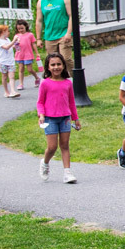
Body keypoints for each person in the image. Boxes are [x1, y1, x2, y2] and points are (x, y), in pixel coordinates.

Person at [36, 51, 81, 184]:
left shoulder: (67, 83)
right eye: (53, 65)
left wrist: (76, 118)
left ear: (63, 65)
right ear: (48, 67)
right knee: (52, 147)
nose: (56, 67)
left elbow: (71, 102)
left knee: (65, 145)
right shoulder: (45, 83)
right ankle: (45, 163)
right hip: (50, 118)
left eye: (59, 64)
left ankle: (67, 172)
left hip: (65, 118)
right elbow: (40, 101)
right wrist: (41, 114)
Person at [34, 0, 74, 69]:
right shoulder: (41, 2)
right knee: (53, 62)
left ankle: (74, 80)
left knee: (65, 59)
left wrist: (68, 33)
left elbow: (71, 16)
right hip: (50, 36)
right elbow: (39, 20)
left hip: (63, 34)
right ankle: (56, 82)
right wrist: (38, 38)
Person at [13, 20, 39, 89]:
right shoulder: (16, 36)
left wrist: (37, 53)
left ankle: (36, 77)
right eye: (19, 29)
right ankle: (21, 84)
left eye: (22, 28)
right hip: (20, 54)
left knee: (29, 69)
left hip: (28, 54)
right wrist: (15, 44)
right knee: (21, 69)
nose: (20, 30)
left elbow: (33, 44)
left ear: (25, 27)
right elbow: (14, 45)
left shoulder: (30, 35)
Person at [0, 23, 17, 98]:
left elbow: (10, 46)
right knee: (4, 76)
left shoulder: (8, 39)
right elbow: (6, 47)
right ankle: (6, 91)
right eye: (7, 31)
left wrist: (16, 44)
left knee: (12, 76)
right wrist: (14, 41)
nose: (9, 33)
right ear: (3, 32)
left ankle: (13, 91)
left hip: (10, 61)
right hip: (3, 61)